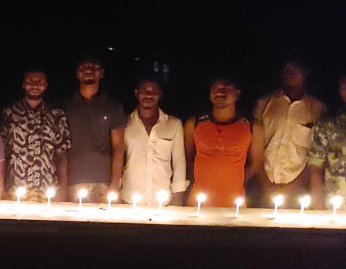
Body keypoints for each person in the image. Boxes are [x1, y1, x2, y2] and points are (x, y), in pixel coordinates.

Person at [184, 78, 263, 207]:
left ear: (237, 94)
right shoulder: (194, 123)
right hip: (198, 201)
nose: (220, 92)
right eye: (216, 88)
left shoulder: (252, 126)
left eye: (226, 88)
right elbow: (187, 158)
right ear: (210, 94)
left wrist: (233, 181)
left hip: (234, 201)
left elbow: (256, 163)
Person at [253, 61, 325, 201]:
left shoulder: (317, 109)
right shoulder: (264, 103)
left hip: (299, 190)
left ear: (306, 72)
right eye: (287, 69)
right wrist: (264, 183)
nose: (290, 73)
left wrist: (293, 187)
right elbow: (255, 148)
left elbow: (317, 155)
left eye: (296, 69)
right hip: (262, 185)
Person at [64, 57, 126, 203]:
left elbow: (118, 147)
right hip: (73, 182)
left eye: (94, 67)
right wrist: (63, 186)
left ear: (102, 73)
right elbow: (61, 150)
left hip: (103, 182)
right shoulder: (66, 107)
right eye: (84, 67)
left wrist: (114, 184)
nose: (89, 70)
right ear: (77, 74)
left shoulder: (113, 106)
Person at [2, 70, 71, 202]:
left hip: (47, 189)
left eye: (39, 81)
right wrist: (1, 187)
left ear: (45, 85)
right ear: (23, 85)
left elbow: (62, 154)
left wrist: (63, 187)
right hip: (15, 189)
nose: (35, 85)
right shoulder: (10, 113)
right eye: (30, 81)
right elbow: (2, 151)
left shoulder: (56, 114)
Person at [121, 78, 187, 206]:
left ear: (160, 94)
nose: (149, 94)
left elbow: (179, 163)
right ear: (136, 93)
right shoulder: (124, 123)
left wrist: (178, 198)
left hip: (163, 200)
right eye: (144, 90)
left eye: (154, 91)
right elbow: (118, 157)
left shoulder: (174, 124)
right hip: (130, 199)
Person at [308, 74, 346, 210]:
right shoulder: (328, 123)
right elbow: (315, 167)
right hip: (337, 206)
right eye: (344, 86)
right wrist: (318, 207)